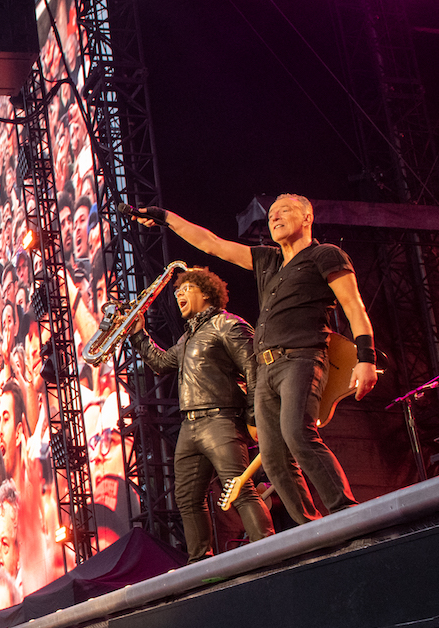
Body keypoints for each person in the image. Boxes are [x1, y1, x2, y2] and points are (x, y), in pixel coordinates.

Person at [137, 197, 377, 523]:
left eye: (285, 212)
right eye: (272, 214)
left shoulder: (325, 255)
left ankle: (348, 516)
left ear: (307, 217)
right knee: (275, 459)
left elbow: (354, 307)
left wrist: (366, 358)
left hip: (302, 358)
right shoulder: (268, 260)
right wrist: (166, 217)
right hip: (266, 369)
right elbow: (212, 244)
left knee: (298, 434)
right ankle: (312, 528)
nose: (275, 218)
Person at [130, 266, 275, 559]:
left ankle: (269, 551)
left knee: (241, 489)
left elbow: (253, 369)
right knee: (187, 498)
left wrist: (254, 417)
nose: (178, 294)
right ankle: (200, 564)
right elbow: (160, 362)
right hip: (190, 425)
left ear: (206, 292)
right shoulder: (187, 338)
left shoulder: (228, 325)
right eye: (177, 291)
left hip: (221, 419)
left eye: (186, 289)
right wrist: (138, 334)